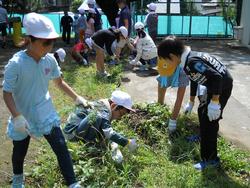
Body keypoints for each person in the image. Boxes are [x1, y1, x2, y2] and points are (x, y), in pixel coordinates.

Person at [2, 13, 87, 188]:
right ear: (30, 40)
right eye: (45, 42)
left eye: (52, 42)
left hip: (44, 111)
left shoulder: (49, 61)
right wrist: (17, 117)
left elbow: (59, 82)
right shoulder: (16, 64)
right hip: (22, 115)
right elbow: (7, 93)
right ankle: (18, 179)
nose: (50, 46)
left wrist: (77, 97)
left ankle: (73, 183)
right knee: (19, 152)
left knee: (61, 146)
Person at [157, 36, 233, 170]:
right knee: (202, 111)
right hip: (213, 85)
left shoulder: (192, 62)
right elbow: (195, 78)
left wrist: (215, 102)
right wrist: (191, 101)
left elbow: (217, 77)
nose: (167, 64)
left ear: (172, 56)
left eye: (166, 60)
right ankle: (202, 136)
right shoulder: (186, 61)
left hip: (221, 86)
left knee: (210, 119)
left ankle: (210, 160)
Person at [63, 90, 138, 163]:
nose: (120, 117)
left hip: (78, 129)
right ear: (114, 106)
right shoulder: (102, 111)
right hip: (71, 133)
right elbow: (108, 132)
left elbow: (105, 130)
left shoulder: (104, 107)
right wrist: (127, 142)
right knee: (97, 116)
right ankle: (90, 145)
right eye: (121, 114)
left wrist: (112, 144)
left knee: (101, 122)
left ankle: (95, 145)